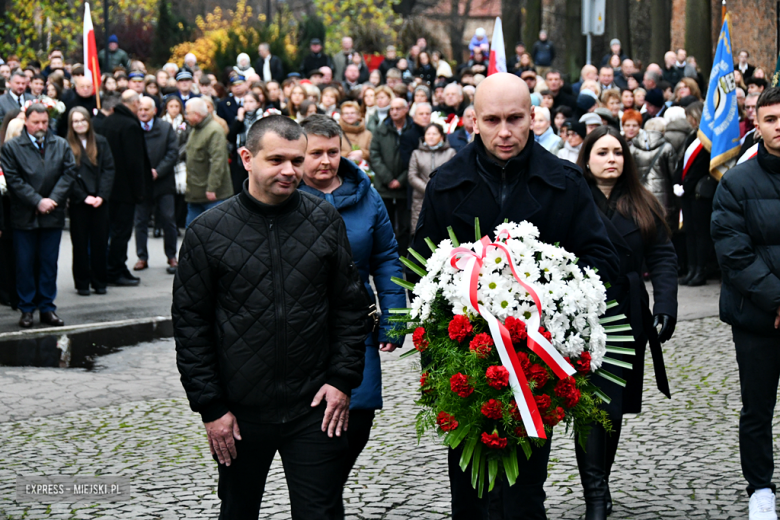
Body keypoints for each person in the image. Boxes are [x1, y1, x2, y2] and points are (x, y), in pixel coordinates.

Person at [411, 72, 617, 519]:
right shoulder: (446, 182)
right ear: (473, 121)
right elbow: (421, 269)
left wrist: (553, 289)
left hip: (537, 362)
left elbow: (602, 257)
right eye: (492, 120)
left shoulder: (565, 180)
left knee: (526, 490)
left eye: (515, 119)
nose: (504, 132)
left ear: (533, 117)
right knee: (467, 490)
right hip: (466, 360)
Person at [172, 115, 371, 520]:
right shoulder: (207, 231)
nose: (290, 170)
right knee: (238, 510)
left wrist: (341, 380)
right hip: (239, 412)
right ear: (246, 157)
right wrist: (211, 407)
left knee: (322, 512)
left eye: (297, 161)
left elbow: (350, 306)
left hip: (314, 406)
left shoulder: (324, 219)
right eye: (276, 159)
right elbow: (191, 325)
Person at [297, 115, 404, 518]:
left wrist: (395, 319)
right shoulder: (287, 193)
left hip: (356, 326)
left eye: (333, 152)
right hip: (302, 331)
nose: (326, 161)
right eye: (316, 153)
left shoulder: (365, 195)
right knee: (313, 429)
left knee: (357, 422)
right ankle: (321, 503)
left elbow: (386, 258)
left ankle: (324, 496)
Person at [575, 125, 677, 520]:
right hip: (582, 315)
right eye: (602, 152)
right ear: (587, 158)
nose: (612, 159)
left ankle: (599, 482)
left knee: (612, 409)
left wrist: (666, 304)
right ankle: (595, 495)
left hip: (628, 314)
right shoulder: (572, 201)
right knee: (590, 404)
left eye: (617, 152)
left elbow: (664, 257)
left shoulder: (643, 201)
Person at [711, 87, 780, 520]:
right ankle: (760, 488)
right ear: (756, 124)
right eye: (771, 119)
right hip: (758, 319)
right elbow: (733, 253)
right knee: (757, 407)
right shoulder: (736, 182)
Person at [0, 103, 76, 327]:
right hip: (25, 216)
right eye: (36, 122)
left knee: (48, 264)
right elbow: (13, 180)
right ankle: (26, 309)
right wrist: (37, 201)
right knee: (24, 264)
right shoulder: (12, 147)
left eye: (44, 122)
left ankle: (47, 307)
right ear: (26, 122)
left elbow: (69, 172)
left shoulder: (60, 144)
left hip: (52, 214)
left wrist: (52, 200)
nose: (41, 126)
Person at [102, 90, 152, 286]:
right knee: (121, 232)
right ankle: (116, 269)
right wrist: (140, 191)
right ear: (135, 103)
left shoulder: (108, 121)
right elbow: (134, 162)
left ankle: (113, 266)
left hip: (108, 187)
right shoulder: (130, 125)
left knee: (111, 231)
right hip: (125, 190)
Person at [66, 106, 115, 296]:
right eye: (75, 121)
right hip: (80, 202)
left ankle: (100, 281)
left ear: (89, 121)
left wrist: (101, 195)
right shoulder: (66, 145)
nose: (79, 124)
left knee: (100, 243)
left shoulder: (101, 142)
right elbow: (67, 174)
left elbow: (109, 170)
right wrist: (83, 196)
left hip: (99, 201)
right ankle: (82, 283)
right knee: (79, 244)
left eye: (82, 120)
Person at [133, 96, 179, 275]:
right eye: (140, 110)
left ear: (153, 110)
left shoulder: (166, 128)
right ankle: (142, 257)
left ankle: (171, 256)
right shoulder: (134, 128)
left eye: (146, 109)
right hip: (142, 184)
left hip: (163, 181)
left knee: (168, 219)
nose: (143, 113)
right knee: (141, 221)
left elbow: (172, 153)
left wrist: (157, 171)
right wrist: (144, 173)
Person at [673, 101, 713, 287]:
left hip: (698, 193)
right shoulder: (691, 137)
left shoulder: (707, 139)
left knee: (700, 233)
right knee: (689, 232)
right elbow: (682, 162)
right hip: (687, 193)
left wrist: (686, 185)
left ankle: (700, 270)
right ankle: (691, 268)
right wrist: (677, 182)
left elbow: (700, 167)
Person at [370, 97, 413, 255]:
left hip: (405, 187)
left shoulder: (413, 129)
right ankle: (384, 254)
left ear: (406, 109)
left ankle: (401, 256)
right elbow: (374, 154)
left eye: (398, 108)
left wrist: (401, 180)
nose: (394, 112)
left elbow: (415, 158)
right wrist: (388, 178)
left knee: (404, 225)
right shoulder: (381, 129)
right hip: (384, 186)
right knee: (384, 223)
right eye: (392, 109)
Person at [184, 97, 233, 226]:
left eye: (187, 113)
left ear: (196, 114)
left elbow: (218, 161)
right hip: (195, 193)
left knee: (215, 234)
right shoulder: (195, 129)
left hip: (211, 195)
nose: (186, 116)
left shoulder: (214, 130)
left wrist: (212, 187)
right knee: (192, 233)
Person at [630, 117, 677, 230]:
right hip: (664, 194)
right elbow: (673, 173)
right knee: (664, 228)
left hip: (641, 193)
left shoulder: (633, 148)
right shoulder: (667, 147)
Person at [408, 122, 456, 231]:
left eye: (434, 134)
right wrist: (428, 189)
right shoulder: (416, 153)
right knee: (421, 232)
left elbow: (454, 174)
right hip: (421, 199)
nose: (431, 136)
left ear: (441, 136)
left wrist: (439, 189)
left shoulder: (450, 153)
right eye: (428, 134)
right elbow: (412, 176)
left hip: (443, 198)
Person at [161, 95, 190, 230]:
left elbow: (187, 143)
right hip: (164, 161)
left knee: (181, 191)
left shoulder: (186, 123)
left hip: (180, 162)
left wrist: (177, 155)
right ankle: (160, 224)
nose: (174, 109)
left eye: (176, 106)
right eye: (171, 106)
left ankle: (177, 222)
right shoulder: (161, 122)